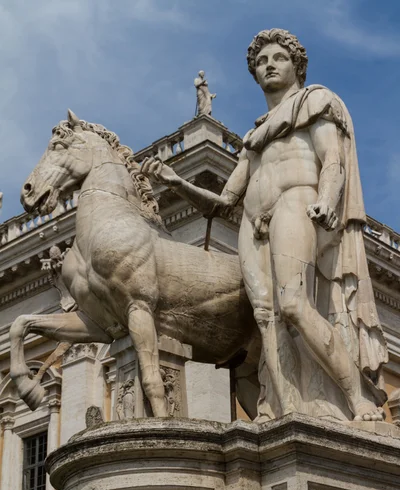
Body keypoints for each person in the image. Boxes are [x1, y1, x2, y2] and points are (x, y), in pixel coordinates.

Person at [141, 28, 388, 422]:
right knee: (266, 319)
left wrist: (326, 198)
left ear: (297, 66)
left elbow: (334, 161)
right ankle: (283, 408)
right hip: (253, 223)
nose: (269, 65)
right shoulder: (254, 136)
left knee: (292, 305)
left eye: (278, 58)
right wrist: (176, 182)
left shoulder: (314, 102)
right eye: (261, 62)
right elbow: (224, 202)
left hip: (297, 203)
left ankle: (356, 397)